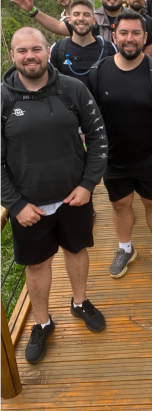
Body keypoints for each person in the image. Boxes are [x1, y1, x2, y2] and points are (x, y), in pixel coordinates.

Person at [0, 28, 107, 365]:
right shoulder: (3, 99)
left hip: (74, 197)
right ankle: (42, 322)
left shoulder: (72, 89)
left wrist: (88, 185)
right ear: (12, 56)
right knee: (37, 265)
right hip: (29, 206)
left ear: (48, 51)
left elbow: (99, 137)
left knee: (77, 251)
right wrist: (15, 205)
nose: (30, 56)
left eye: (36, 49)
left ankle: (79, 302)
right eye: (22, 51)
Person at [88, 9, 152, 278]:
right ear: (114, 35)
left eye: (136, 33)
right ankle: (125, 248)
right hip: (114, 159)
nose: (130, 39)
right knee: (121, 205)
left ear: (145, 37)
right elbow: (89, 121)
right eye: (124, 33)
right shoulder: (98, 73)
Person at [10, 0, 152, 57]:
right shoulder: (91, 18)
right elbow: (58, 26)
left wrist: (135, 62)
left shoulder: (135, 19)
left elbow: (151, 45)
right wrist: (33, 11)